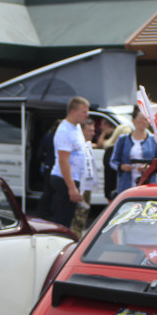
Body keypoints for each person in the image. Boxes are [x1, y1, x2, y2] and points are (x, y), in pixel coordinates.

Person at [47, 96, 90, 228]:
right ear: (73, 111)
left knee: (69, 217)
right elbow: (63, 160)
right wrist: (71, 187)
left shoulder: (76, 128)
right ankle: (59, 245)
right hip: (64, 179)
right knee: (63, 219)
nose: (87, 115)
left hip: (74, 178)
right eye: (84, 111)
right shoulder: (64, 130)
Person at [111, 109, 157, 194]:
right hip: (127, 184)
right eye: (142, 119)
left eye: (147, 119)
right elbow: (113, 161)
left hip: (148, 184)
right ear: (133, 120)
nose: (144, 122)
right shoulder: (123, 139)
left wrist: (149, 167)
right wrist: (121, 166)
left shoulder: (154, 140)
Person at [70, 119, 98, 237]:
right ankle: (75, 241)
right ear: (82, 130)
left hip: (87, 186)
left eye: (93, 130)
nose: (93, 133)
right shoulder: (77, 146)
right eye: (90, 130)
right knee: (78, 217)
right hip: (80, 186)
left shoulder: (88, 145)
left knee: (84, 215)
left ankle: (78, 236)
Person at [35, 122, 60, 220]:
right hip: (56, 168)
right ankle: (52, 213)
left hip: (48, 167)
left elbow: (40, 153)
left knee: (47, 191)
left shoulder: (48, 137)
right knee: (55, 192)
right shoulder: (61, 138)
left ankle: (41, 213)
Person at [102, 123, 131, 201]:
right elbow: (112, 168)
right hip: (114, 189)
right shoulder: (114, 152)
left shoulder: (109, 149)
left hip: (111, 189)